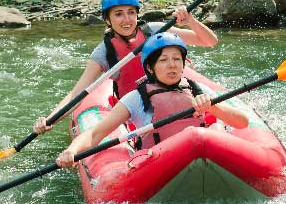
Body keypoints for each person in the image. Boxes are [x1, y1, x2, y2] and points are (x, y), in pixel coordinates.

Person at [34, 0, 218, 135]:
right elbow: (78, 94)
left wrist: (191, 21)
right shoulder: (104, 53)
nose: (126, 19)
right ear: (108, 20)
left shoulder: (156, 31)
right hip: (139, 109)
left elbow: (210, 41)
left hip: (178, 95)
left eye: (131, 12)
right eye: (119, 14)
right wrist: (50, 119)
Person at [56, 32, 248, 169]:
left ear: (183, 64)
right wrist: (71, 151)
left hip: (202, 156)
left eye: (176, 59)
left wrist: (213, 108)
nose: (172, 65)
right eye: (163, 60)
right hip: (158, 164)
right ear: (150, 67)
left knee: (216, 129)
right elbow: (95, 134)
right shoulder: (137, 98)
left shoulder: (197, 89)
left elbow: (242, 122)